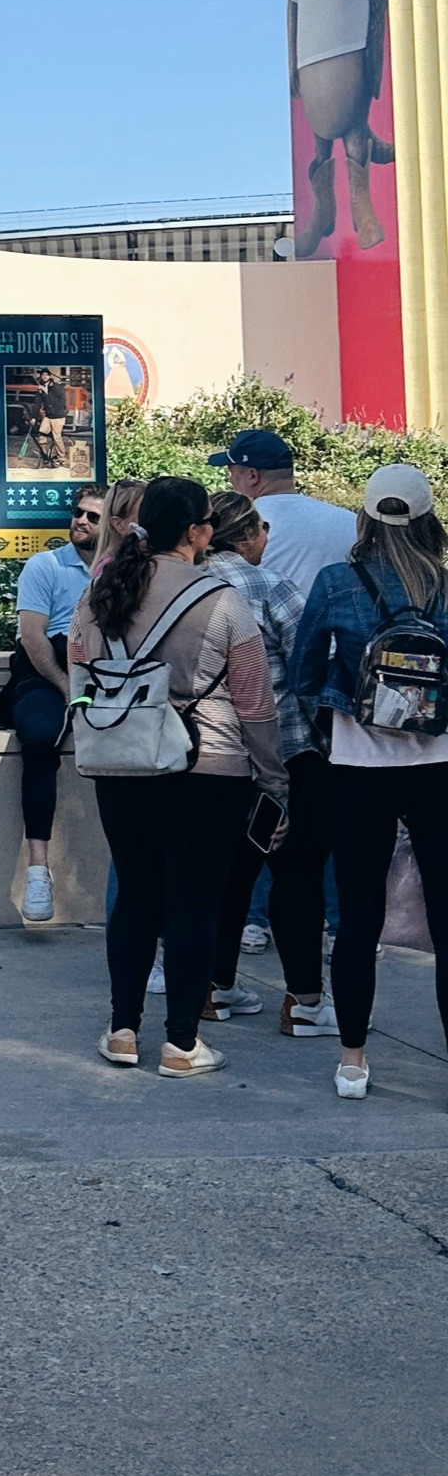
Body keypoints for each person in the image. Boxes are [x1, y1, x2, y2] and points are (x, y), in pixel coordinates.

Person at [70, 475, 288, 1076]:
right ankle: (182, 1044)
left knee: (135, 895)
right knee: (195, 904)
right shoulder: (222, 601)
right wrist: (274, 780)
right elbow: (255, 703)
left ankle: (122, 1030)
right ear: (198, 532)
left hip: (122, 762)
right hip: (208, 766)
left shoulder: (99, 594)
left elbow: (79, 673)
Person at [291, 464, 448, 1099]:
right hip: (438, 768)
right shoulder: (444, 583)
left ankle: (352, 1060)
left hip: (358, 767)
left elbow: (303, 675)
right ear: (428, 518)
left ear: (366, 517)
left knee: (358, 918)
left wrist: (343, 713)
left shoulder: (337, 580)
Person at [204, 492, 339, 1034]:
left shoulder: (186, 586)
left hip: (213, 755)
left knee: (226, 875)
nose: (267, 537)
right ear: (244, 535)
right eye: (261, 528)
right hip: (287, 750)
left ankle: (216, 988)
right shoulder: (269, 586)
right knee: (298, 875)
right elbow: (311, 664)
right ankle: (304, 1001)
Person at [11, 485, 104, 920]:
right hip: (45, 669)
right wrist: (66, 685)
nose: (80, 521)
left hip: (101, 671)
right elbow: (32, 635)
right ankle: (38, 870)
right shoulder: (44, 565)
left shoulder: (122, 570)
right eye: (78, 512)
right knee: (39, 737)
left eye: (93, 517)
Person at [287, 0, 389, 255]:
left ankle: (363, 211)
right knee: (320, 136)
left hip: (347, 39)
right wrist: (292, 60)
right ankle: (323, 213)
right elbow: (294, 1)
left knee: (353, 127)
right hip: (311, 50)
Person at [209, 429, 355, 598]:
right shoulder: (351, 521)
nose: (230, 480)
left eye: (231, 472)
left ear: (252, 476)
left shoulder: (239, 523)